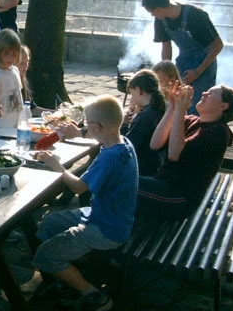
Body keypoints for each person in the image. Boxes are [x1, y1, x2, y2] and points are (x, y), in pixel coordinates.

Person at [32, 96, 138, 311]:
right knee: (49, 225)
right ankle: (63, 278)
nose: (84, 126)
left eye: (87, 123)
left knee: (43, 255)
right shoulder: (122, 142)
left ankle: (93, 295)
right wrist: (78, 132)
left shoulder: (110, 157)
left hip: (106, 229)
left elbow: (79, 187)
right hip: (109, 215)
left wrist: (57, 166)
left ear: (97, 126)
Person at [136, 83, 233, 219]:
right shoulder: (192, 121)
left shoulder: (219, 132)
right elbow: (155, 144)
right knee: (118, 179)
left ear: (223, 106)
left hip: (179, 198)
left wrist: (180, 110)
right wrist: (173, 107)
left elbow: (174, 155)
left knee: (119, 183)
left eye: (210, 94)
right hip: (162, 184)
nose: (204, 94)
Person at [142, 0, 223, 114]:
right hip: (183, 61)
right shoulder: (161, 20)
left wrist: (197, 71)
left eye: (151, 12)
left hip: (204, 63)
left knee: (197, 106)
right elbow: (166, 46)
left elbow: (218, 45)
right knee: (176, 101)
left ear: (157, 9)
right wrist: (165, 69)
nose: (152, 16)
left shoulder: (196, 16)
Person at [120, 70, 166, 176]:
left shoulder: (146, 115)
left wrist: (124, 124)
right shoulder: (158, 108)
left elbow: (127, 147)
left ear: (139, 90)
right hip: (155, 165)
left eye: (132, 94)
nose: (132, 98)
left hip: (142, 170)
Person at [17, 45, 52, 118]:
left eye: (27, 62)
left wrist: (55, 113)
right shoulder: (9, 83)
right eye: (22, 63)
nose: (26, 66)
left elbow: (32, 108)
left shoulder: (24, 81)